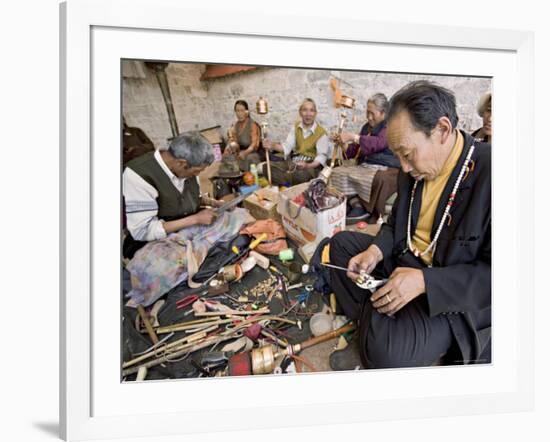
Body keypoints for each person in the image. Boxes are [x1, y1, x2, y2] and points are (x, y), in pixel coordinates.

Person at [328, 81, 491, 370]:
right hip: (404, 260)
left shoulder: (494, 172)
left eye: (407, 153)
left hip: (448, 295)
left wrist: (425, 282)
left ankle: (377, 323)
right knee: (338, 247)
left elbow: (501, 276)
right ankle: (383, 315)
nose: (402, 167)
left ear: (442, 130)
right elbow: (394, 224)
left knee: (385, 353)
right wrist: (376, 252)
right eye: (398, 155)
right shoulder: (411, 170)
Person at [122, 131, 221, 259]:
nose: (197, 175)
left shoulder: (185, 168)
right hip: (152, 245)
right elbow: (142, 231)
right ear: (181, 163)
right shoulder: (137, 176)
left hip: (185, 233)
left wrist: (212, 202)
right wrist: (195, 219)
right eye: (196, 171)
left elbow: (186, 198)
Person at [330, 93, 400, 223]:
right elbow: (354, 151)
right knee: (338, 171)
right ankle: (355, 204)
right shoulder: (366, 127)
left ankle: (366, 210)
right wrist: (342, 143)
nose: (369, 117)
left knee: (377, 178)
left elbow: (378, 143)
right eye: (367, 112)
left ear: (383, 113)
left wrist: (352, 137)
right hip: (366, 166)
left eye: (372, 113)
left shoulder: (390, 126)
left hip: (387, 167)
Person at [263, 98, 331, 185]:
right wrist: (272, 145)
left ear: (315, 113)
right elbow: (287, 146)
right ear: (300, 112)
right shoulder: (296, 127)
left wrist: (307, 165)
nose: (308, 114)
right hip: (294, 163)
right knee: (266, 167)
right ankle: (290, 180)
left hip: (310, 167)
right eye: (305, 110)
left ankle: (287, 180)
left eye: (311, 110)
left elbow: (321, 158)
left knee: (300, 175)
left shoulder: (321, 133)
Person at [225, 100, 262, 172]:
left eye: (242, 110)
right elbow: (236, 143)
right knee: (228, 158)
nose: (239, 113)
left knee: (249, 158)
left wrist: (245, 153)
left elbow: (254, 145)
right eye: (237, 111)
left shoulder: (252, 124)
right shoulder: (236, 125)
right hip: (241, 152)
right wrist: (232, 148)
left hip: (252, 153)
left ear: (247, 112)